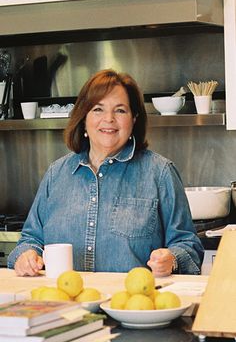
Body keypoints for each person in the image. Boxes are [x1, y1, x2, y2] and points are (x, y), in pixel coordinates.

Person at [8, 69, 204, 277]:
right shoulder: (56, 174)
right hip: (63, 305)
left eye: (120, 110)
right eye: (98, 109)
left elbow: (189, 247)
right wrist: (26, 255)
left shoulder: (160, 173)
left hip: (134, 305)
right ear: (84, 118)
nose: (108, 119)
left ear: (134, 119)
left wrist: (172, 259)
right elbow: (30, 240)